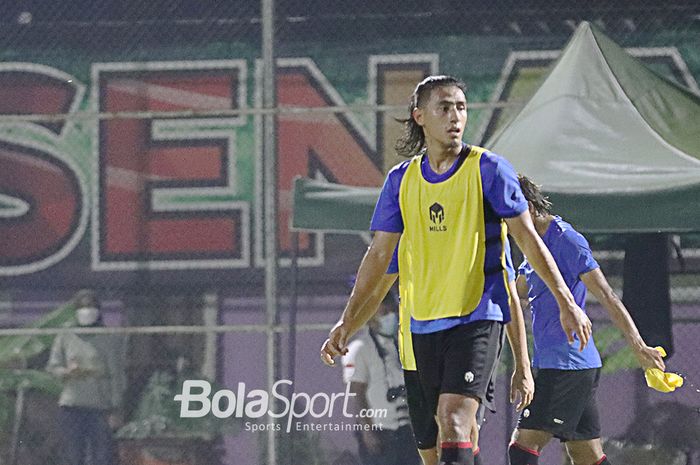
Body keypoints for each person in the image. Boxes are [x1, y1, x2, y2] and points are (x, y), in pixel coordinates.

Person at [321, 74, 591, 465]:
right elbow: (379, 260)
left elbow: (528, 242)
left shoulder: (490, 171)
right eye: (444, 107)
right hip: (420, 330)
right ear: (419, 116)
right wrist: (346, 323)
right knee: (436, 451)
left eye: (461, 107)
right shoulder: (401, 182)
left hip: (476, 319)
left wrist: (566, 301)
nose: (455, 116)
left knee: (454, 420)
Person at [508, 175, 666, 465]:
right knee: (586, 455)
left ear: (527, 208)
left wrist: (639, 346)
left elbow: (607, 295)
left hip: (566, 365)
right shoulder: (532, 246)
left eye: (509, 215)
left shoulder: (567, 240)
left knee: (521, 450)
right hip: (565, 364)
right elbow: (516, 290)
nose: (506, 225)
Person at [341, 288, 420, 465]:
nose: (390, 316)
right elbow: (357, 394)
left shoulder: (402, 344)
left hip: (408, 431)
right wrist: (367, 431)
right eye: (384, 313)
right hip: (381, 431)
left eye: (393, 311)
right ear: (370, 317)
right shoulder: (359, 348)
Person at [46, 290, 126, 465]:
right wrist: (67, 372)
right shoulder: (66, 335)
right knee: (73, 456)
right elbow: (53, 367)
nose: (87, 311)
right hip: (72, 407)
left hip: (100, 408)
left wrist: (115, 408)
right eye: (82, 307)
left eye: (90, 307)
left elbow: (116, 374)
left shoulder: (108, 337)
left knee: (102, 457)